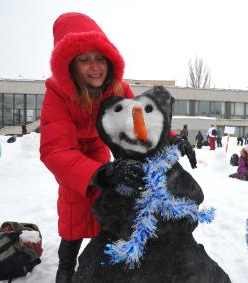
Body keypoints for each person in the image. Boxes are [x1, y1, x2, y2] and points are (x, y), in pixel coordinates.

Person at [39, 12, 196, 283]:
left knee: (110, 202)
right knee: (73, 208)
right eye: (84, 59)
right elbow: (55, 150)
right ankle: (66, 265)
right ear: (70, 64)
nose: (95, 66)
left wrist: (173, 139)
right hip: (74, 157)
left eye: (99, 57)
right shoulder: (57, 93)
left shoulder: (116, 87)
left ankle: (105, 251)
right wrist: (101, 173)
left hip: (100, 151)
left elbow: (144, 121)